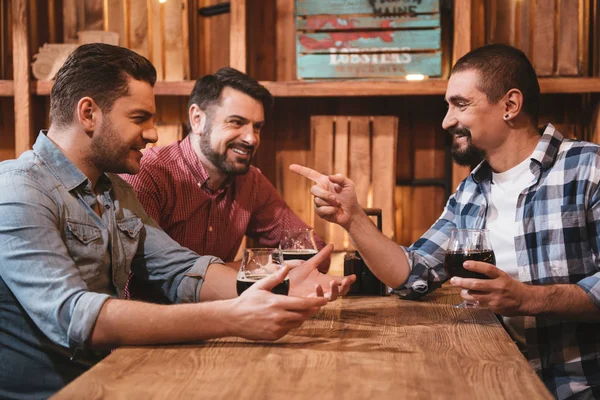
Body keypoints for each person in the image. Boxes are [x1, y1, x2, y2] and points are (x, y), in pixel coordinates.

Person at [0, 43, 354, 399]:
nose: (154, 134)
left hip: (113, 380)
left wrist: (279, 287)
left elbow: (181, 269)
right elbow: (75, 316)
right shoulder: (17, 188)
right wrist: (233, 316)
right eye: (139, 118)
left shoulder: (116, 192)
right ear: (89, 113)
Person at [291, 43, 600, 399]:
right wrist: (353, 218)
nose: (447, 120)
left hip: (578, 387)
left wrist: (529, 299)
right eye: (447, 106)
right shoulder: (471, 189)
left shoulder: (587, 168)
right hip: (490, 380)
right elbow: (411, 273)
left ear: (510, 106)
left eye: (461, 104)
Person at [120, 67, 329, 274]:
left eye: (257, 127)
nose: (251, 138)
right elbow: (143, 271)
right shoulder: (148, 173)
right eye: (236, 122)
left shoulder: (251, 182)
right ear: (197, 119)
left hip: (225, 306)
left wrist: (242, 267)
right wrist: (248, 268)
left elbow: (315, 254)